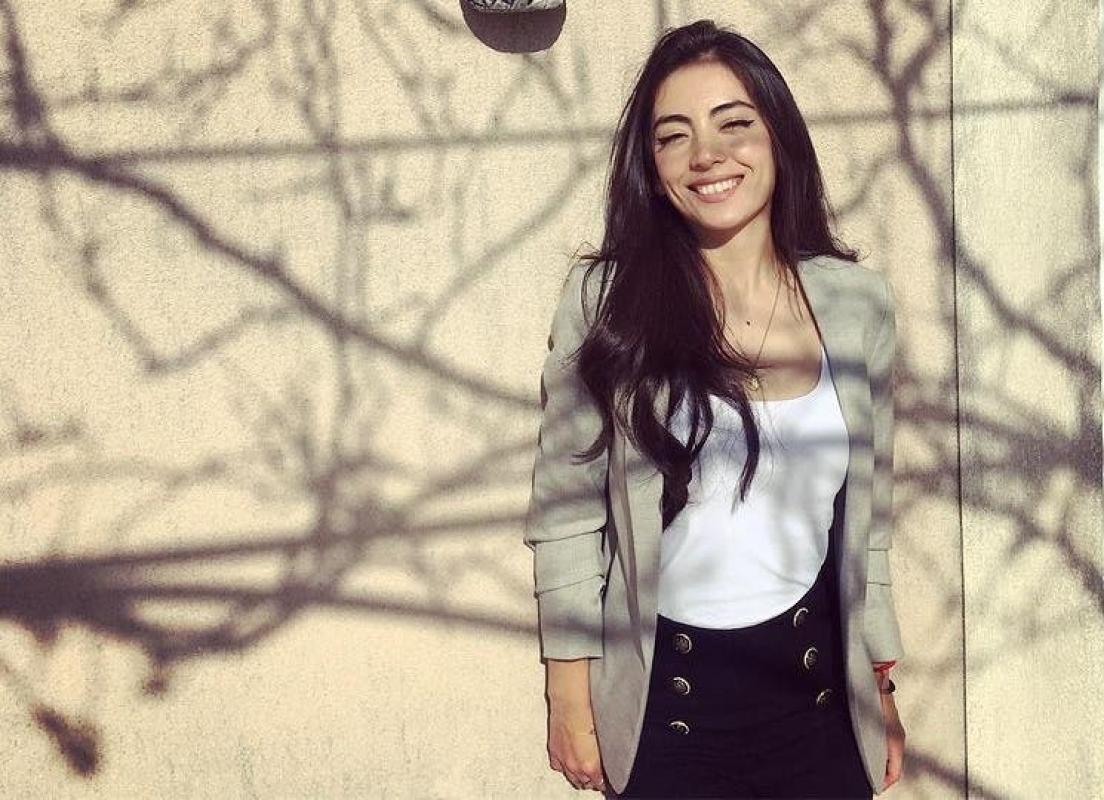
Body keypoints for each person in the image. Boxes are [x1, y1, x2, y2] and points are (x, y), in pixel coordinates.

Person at [523, 19, 906, 799]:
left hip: (820, 702)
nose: (706, 155)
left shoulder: (857, 303)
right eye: (674, 136)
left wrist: (880, 681)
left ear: (778, 137)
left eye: (734, 124)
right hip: (670, 713)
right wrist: (568, 694)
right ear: (651, 165)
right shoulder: (606, 302)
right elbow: (566, 509)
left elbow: (869, 518)